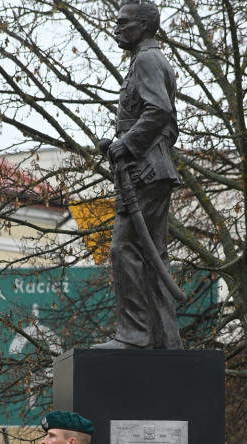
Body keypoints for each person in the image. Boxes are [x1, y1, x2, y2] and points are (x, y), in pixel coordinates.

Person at [94, 0, 183, 350]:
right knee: (152, 254)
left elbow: (160, 111)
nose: (116, 28)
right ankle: (166, 339)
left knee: (123, 248)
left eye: (124, 22)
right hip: (149, 165)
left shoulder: (147, 59)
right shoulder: (147, 60)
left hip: (145, 168)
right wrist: (120, 145)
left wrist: (127, 144)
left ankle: (134, 336)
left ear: (144, 26)